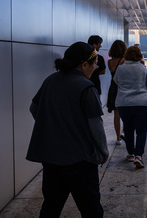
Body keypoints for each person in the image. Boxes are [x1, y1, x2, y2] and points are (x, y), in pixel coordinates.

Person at [26, 42, 109, 217]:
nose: (96, 67)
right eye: (94, 63)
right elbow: (96, 125)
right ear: (84, 64)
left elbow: (34, 109)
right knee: (91, 208)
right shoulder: (86, 87)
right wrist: (104, 151)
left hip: (51, 158)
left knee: (51, 206)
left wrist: (54, 128)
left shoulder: (50, 80)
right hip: (80, 160)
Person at [114, 46, 147, 168]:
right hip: (142, 103)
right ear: (139, 56)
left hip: (124, 103)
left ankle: (131, 153)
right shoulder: (142, 68)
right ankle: (139, 156)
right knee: (142, 130)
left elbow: (116, 81)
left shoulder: (120, 68)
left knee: (128, 128)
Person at [107, 40, 127, 145]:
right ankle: (124, 131)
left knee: (116, 114)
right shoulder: (124, 60)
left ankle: (118, 137)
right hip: (122, 87)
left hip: (113, 87)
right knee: (125, 111)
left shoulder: (109, 62)